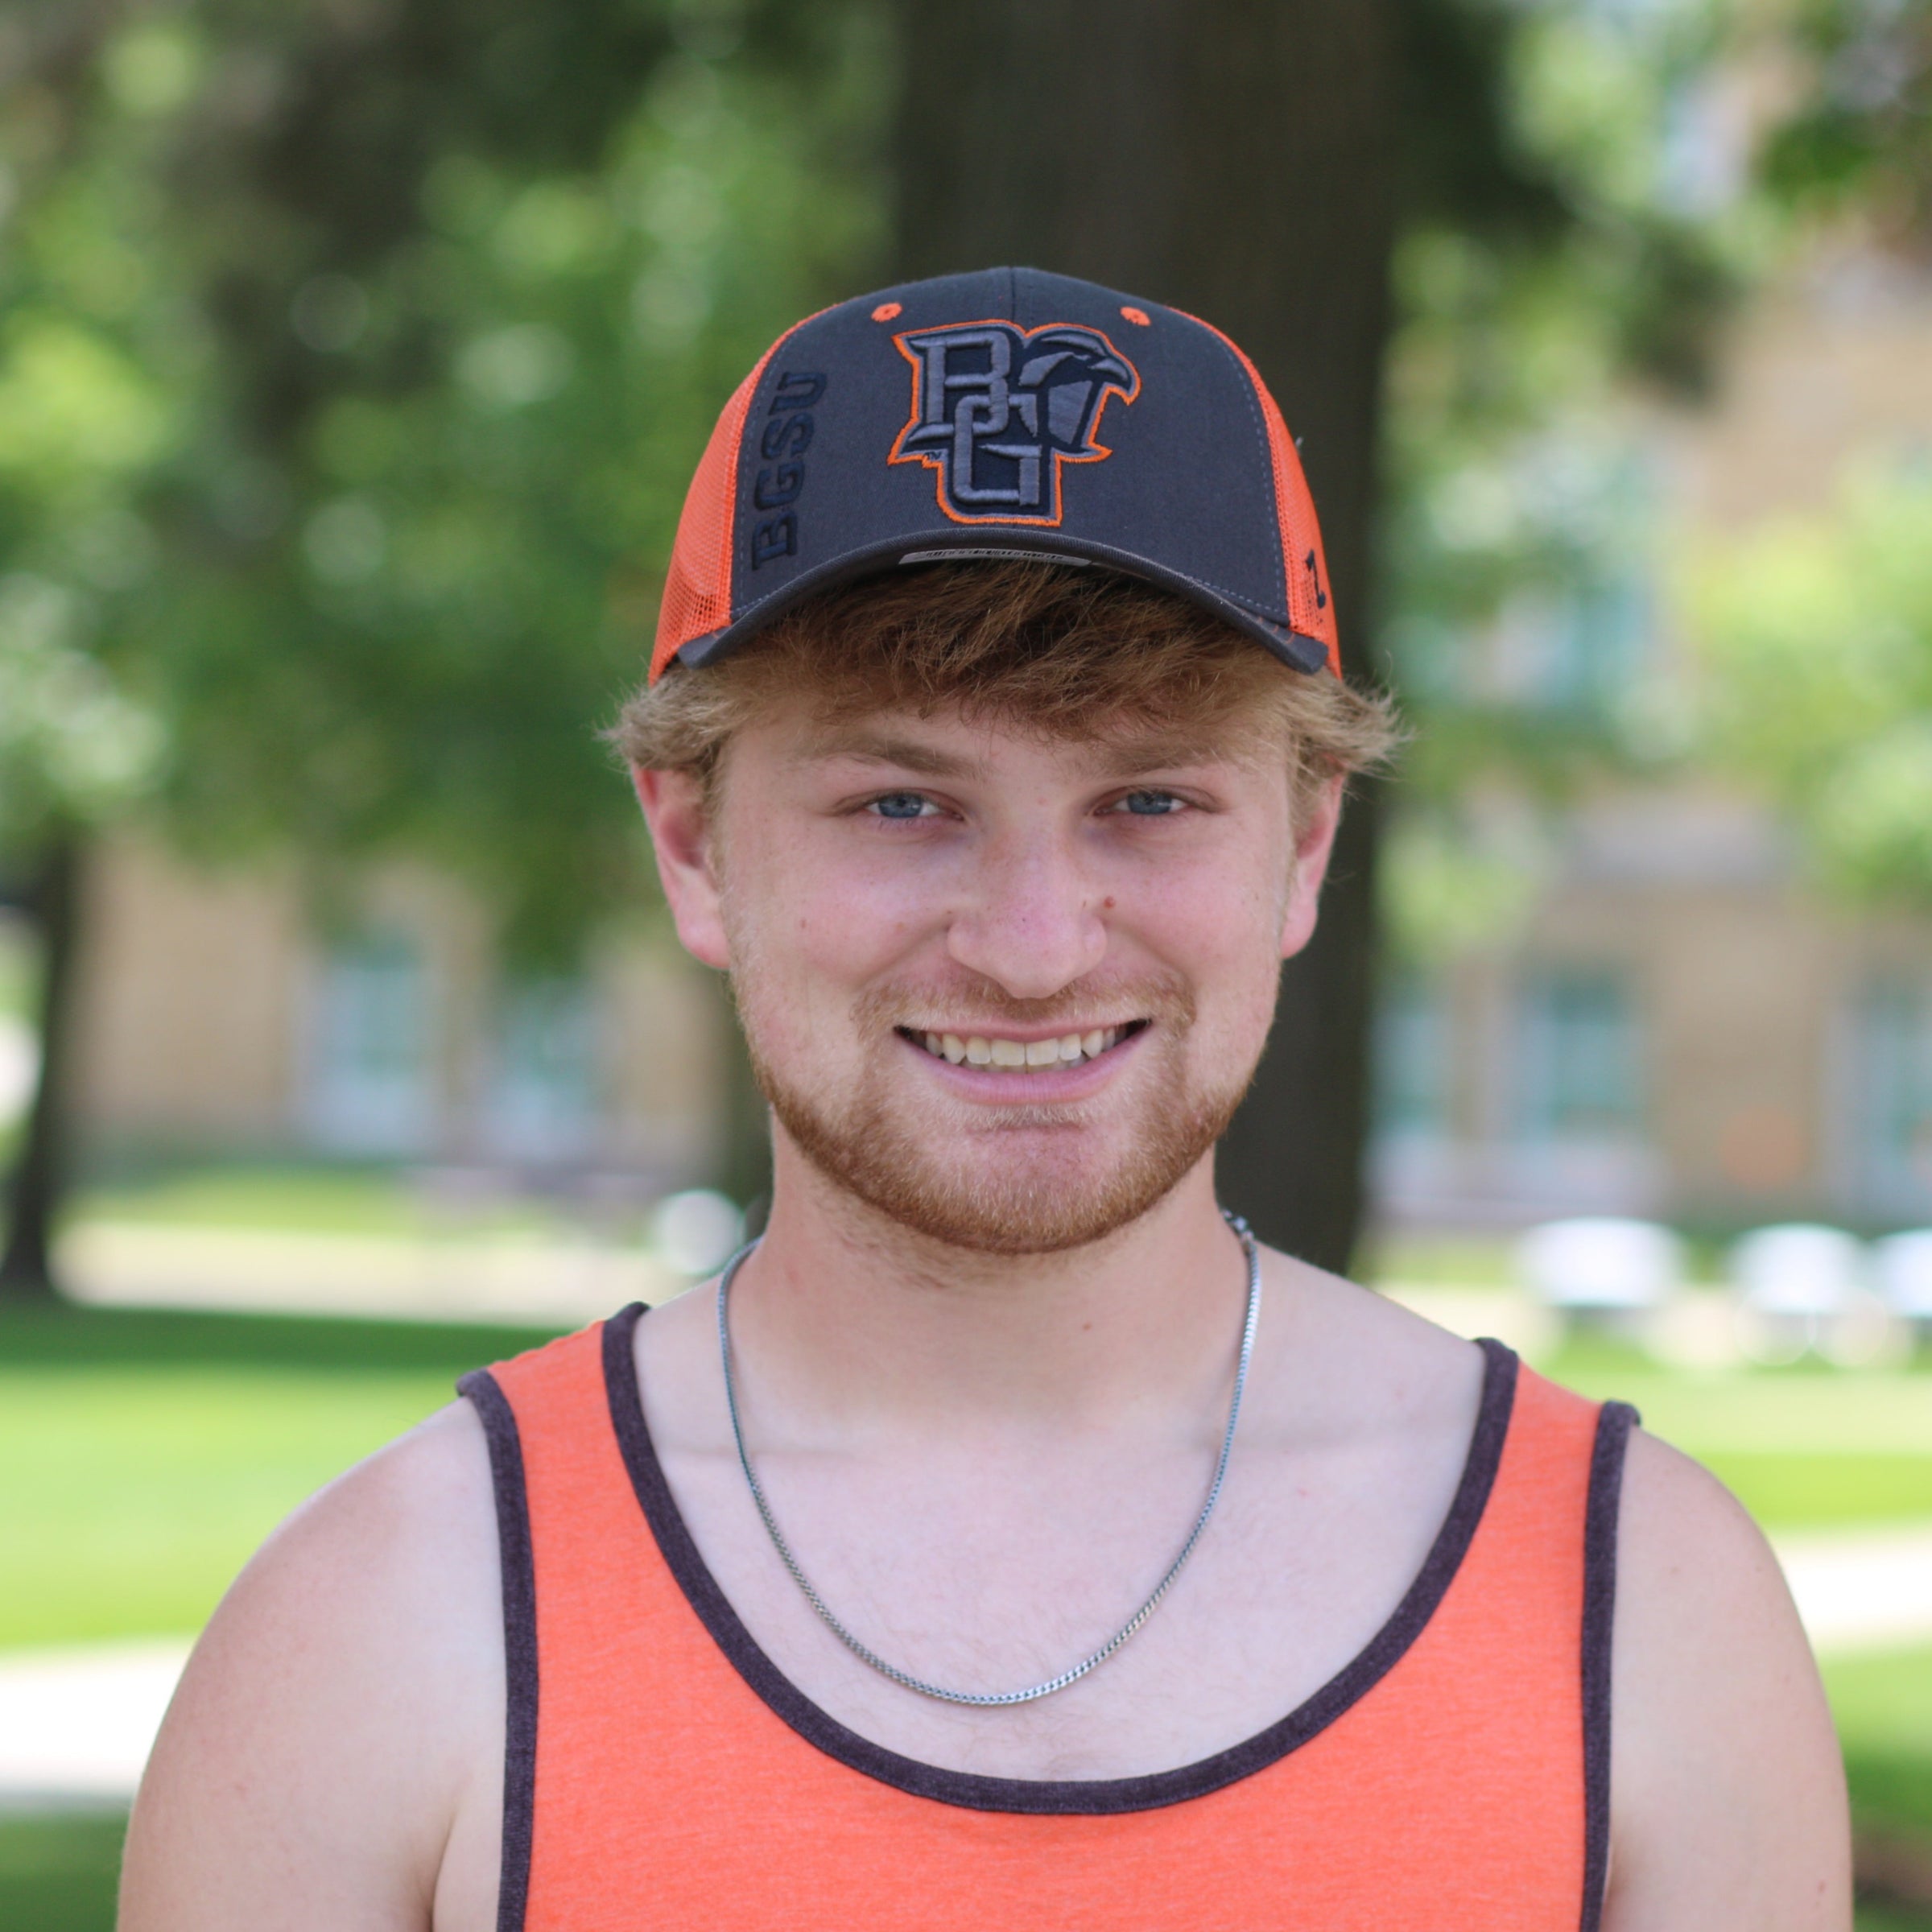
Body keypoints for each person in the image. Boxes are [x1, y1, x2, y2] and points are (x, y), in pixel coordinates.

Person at [121, 268, 1849, 1931]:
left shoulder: (1637, 1609)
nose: (1032, 949)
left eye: (1151, 802)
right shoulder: (387, 1626)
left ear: (1305, 846)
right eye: (901, 805)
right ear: (693, 844)